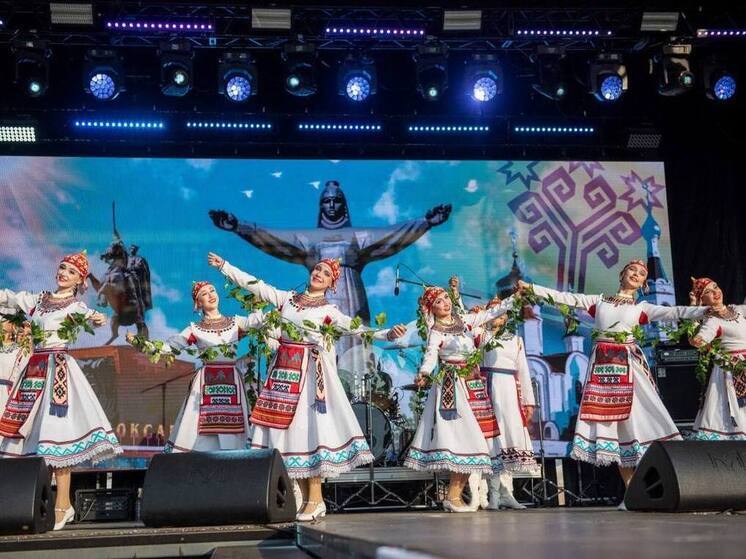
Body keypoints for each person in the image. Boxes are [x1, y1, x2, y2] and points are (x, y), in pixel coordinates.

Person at [207, 251, 406, 521]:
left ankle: (316, 499)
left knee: (310, 433)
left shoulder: (329, 312)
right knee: (292, 437)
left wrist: (387, 333)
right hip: (283, 375)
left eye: (326, 273)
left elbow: (357, 328)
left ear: (332, 284)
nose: (318, 274)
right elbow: (255, 285)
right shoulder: (287, 299)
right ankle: (306, 500)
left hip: (310, 376)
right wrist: (225, 266)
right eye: (317, 269)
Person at [208, 180, 451, 384]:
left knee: (354, 353)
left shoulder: (357, 237)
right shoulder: (307, 247)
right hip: (300, 361)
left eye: (336, 201)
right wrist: (238, 230)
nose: (332, 205)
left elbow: (392, 235)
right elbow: (271, 244)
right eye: (327, 201)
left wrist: (425, 223)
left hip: (352, 298)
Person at [518, 260, 706, 507]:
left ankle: (650, 489)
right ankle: (630, 495)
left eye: (641, 274)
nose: (636, 274)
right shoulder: (599, 302)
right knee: (613, 430)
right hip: (603, 371)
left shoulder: (641, 307)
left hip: (630, 369)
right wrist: (531, 288)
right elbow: (565, 298)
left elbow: (675, 312)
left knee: (638, 422)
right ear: (622, 274)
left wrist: (703, 308)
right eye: (632, 270)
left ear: (643, 284)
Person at [0, 252, 122, 530]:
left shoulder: (75, 306)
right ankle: (28, 501)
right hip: (34, 371)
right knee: (25, 436)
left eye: (71, 271)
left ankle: (63, 504)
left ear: (80, 280)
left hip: (58, 371)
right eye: (62, 268)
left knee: (57, 437)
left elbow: (93, 317)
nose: (64, 273)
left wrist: (98, 318)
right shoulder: (39, 300)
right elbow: (9, 298)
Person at [403, 285, 514, 513]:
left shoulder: (464, 321)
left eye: (446, 298)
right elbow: (431, 355)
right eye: (438, 302)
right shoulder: (436, 331)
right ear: (432, 309)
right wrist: (424, 373)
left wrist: (516, 298)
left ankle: (454, 497)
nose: (445, 302)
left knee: (476, 442)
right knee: (463, 440)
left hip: (473, 383)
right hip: (452, 386)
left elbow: (491, 313)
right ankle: (453, 497)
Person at [127, 281, 269, 453]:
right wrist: (140, 343)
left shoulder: (235, 323)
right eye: (204, 294)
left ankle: (232, 464)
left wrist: (257, 304)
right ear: (198, 303)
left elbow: (258, 322)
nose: (210, 295)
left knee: (234, 435)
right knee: (199, 432)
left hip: (232, 382)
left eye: (212, 290)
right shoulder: (194, 329)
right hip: (206, 383)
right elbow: (168, 348)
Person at [476, 296, 539, 510]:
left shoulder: (516, 340)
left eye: (501, 312)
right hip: (489, 389)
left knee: (509, 439)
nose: (498, 315)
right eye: (493, 311)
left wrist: (528, 401)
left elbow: (523, 371)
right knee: (492, 441)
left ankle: (507, 493)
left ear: (506, 318)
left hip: (510, 392)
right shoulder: (481, 336)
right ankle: (489, 494)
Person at [689, 277, 746, 441]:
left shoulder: (736, 310)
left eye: (715, 286)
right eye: (708, 291)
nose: (715, 292)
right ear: (702, 299)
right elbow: (698, 341)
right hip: (731, 370)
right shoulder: (712, 321)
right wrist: (694, 310)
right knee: (735, 414)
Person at [0, 316, 30, 414]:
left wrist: (27, 332)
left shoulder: (19, 350)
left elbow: (27, 355)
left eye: (7, 320)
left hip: (7, 394)